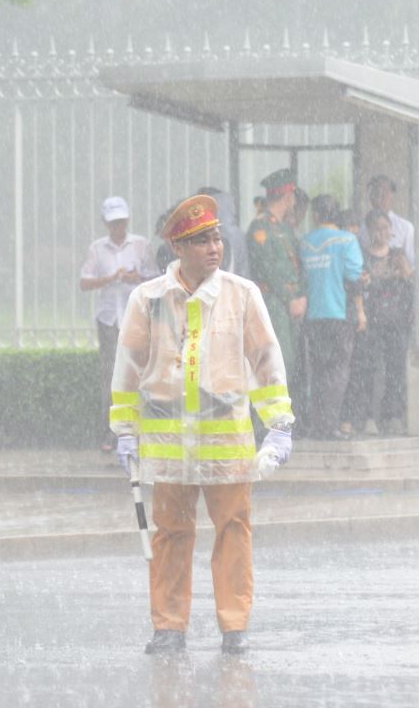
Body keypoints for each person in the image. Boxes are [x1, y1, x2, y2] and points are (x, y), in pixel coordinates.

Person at [109, 195, 295, 656]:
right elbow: (128, 368)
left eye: (216, 238)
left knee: (234, 530)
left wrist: (279, 424)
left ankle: (235, 627)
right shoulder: (147, 299)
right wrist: (125, 429)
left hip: (226, 445)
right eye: (201, 241)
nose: (215, 248)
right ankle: (169, 627)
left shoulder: (243, 294)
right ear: (178, 248)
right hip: (169, 446)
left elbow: (266, 361)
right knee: (170, 535)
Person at [80, 196, 154, 452]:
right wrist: (110, 278)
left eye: (121, 222)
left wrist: (136, 278)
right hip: (109, 320)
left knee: (140, 374)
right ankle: (111, 432)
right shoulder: (97, 248)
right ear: (106, 224)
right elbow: (85, 282)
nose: (118, 228)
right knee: (111, 376)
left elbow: (155, 278)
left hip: (135, 319)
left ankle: (139, 430)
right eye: (113, 224)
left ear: (128, 220)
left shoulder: (141, 245)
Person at [298, 196, 365, 439]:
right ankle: (330, 426)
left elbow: (301, 277)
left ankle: (317, 425)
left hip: (313, 317)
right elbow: (354, 276)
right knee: (337, 372)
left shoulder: (305, 242)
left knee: (318, 370)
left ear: (315, 216)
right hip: (339, 315)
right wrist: (360, 310)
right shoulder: (348, 241)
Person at [346, 208, 415, 436]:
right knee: (367, 370)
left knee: (395, 370)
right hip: (371, 323)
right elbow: (356, 285)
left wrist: (405, 274)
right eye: (378, 228)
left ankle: (393, 415)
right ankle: (367, 417)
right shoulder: (362, 257)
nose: (383, 232)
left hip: (395, 322)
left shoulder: (398, 255)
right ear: (369, 231)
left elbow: (409, 284)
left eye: (386, 228)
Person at [245, 169, 306, 406]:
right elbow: (267, 268)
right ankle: (265, 425)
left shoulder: (284, 228)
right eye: (292, 195)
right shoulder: (260, 228)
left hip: (289, 305)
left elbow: (295, 267)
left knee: (288, 363)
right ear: (287, 196)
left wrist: (300, 296)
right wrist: (290, 297)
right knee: (273, 364)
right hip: (273, 303)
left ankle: (280, 420)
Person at [367, 174, 416, 267]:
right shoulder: (363, 227)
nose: (380, 197)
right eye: (376, 193)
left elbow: (412, 264)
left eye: (384, 193)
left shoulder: (405, 227)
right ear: (370, 197)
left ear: (392, 197)